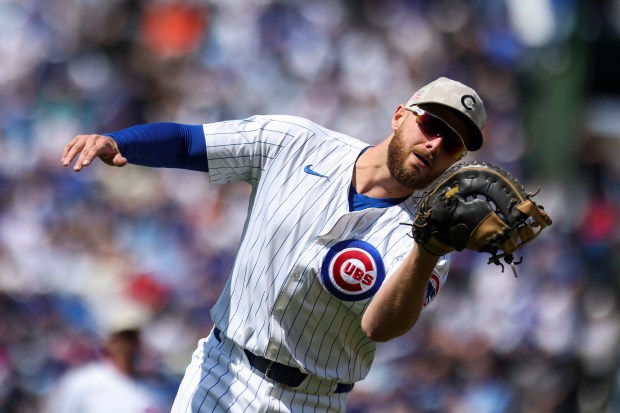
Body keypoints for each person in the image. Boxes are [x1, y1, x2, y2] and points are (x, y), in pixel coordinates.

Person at [60, 77, 487, 413]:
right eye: (430, 124)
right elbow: (191, 141)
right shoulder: (295, 141)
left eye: (452, 144)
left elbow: (382, 327)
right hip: (222, 371)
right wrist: (121, 142)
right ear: (399, 116)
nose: (434, 144)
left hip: (314, 401)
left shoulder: (426, 238)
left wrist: (427, 251)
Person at [45, 327, 166, 413]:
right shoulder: (81, 382)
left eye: (133, 339)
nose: (128, 346)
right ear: (109, 342)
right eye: (123, 339)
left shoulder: (155, 388)